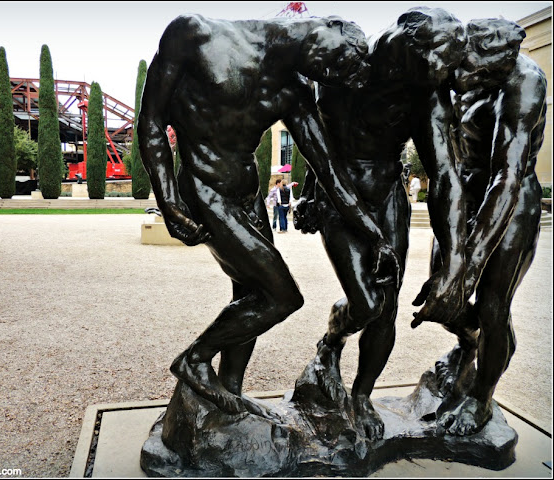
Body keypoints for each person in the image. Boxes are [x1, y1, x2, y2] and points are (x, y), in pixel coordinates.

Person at [137, 13, 400, 416]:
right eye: (343, 57)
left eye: (341, 71)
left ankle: (230, 394)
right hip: (204, 189)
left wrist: (375, 234)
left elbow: (328, 170)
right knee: (281, 296)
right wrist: (169, 198)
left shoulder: (295, 91)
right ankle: (195, 359)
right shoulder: (195, 33)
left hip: (247, 193)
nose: (335, 71)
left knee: (249, 295)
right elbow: (152, 120)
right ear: (329, 24)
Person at [292, 7, 469, 440]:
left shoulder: (424, 90)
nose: (411, 75)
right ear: (402, 37)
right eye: (411, 63)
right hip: (337, 196)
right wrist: (310, 190)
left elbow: (444, 173)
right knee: (366, 303)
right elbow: (315, 134)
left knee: (385, 307)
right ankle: (331, 341)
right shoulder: (340, 57)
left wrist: (455, 257)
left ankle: (361, 394)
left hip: (385, 197)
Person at [412, 18, 547, 436]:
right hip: (465, 191)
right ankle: (467, 346)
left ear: (502, 62)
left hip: (512, 197)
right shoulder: (462, 65)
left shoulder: (525, 81)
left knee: (492, 306)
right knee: (445, 298)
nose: (464, 78)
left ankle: (481, 398)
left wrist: (468, 267)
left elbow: (507, 176)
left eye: (476, 72)